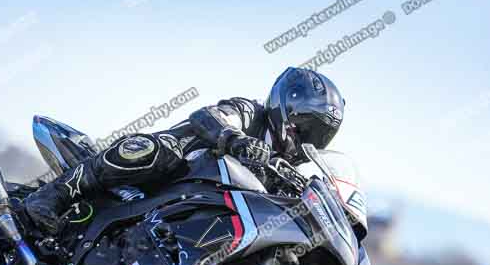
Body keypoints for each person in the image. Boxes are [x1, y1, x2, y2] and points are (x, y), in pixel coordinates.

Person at [24, 67, 345, 235]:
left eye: (321, 134)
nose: (310, 138)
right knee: (150, 149)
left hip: (195, 213)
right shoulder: (249, 113)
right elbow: (208, 117)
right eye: (308, 126)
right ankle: (51, 197)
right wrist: (235, 139)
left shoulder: (284, 168)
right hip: (171, 174)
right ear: (287, 106)